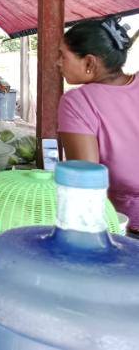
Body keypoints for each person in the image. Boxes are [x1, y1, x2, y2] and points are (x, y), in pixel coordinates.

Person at [57, 18, 138, 234]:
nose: (58, 63)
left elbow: (85, 181)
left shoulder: (78, 102)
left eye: (63, 56)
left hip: (123, 224)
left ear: (89, 63)